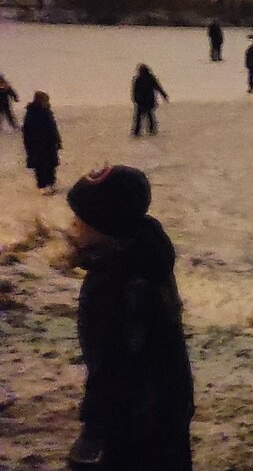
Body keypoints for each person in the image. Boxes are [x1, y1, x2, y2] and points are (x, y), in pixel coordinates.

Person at [64, 165, 194, 470]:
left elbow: (113, 366)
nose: (72, 226)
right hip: (167, 404)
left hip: (136, 419)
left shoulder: (118, 284)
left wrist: (93, 430)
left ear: (105, 227)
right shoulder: (145, 257)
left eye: (80, 220)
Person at [22, 91, 61, 195]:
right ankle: (42, 186)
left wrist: (57, 141)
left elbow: (53, 127)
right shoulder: (32, 114)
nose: (47, 102)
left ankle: (51, 183)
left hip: (49, 145)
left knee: (51, 165)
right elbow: (27, 132)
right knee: (40, 167)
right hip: (37, 146)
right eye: (45, 100)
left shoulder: (47, 112)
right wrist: (30, 147)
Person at [131, 64, 169, 136]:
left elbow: (134, 91)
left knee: (139, 116)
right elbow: (158, 87)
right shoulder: (149, 78)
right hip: (148, 100)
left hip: (142, 101)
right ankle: (151, 130)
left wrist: (135, 99)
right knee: (149, 115)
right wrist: (164, 95)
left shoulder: (139, 79)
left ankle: (137, 132)